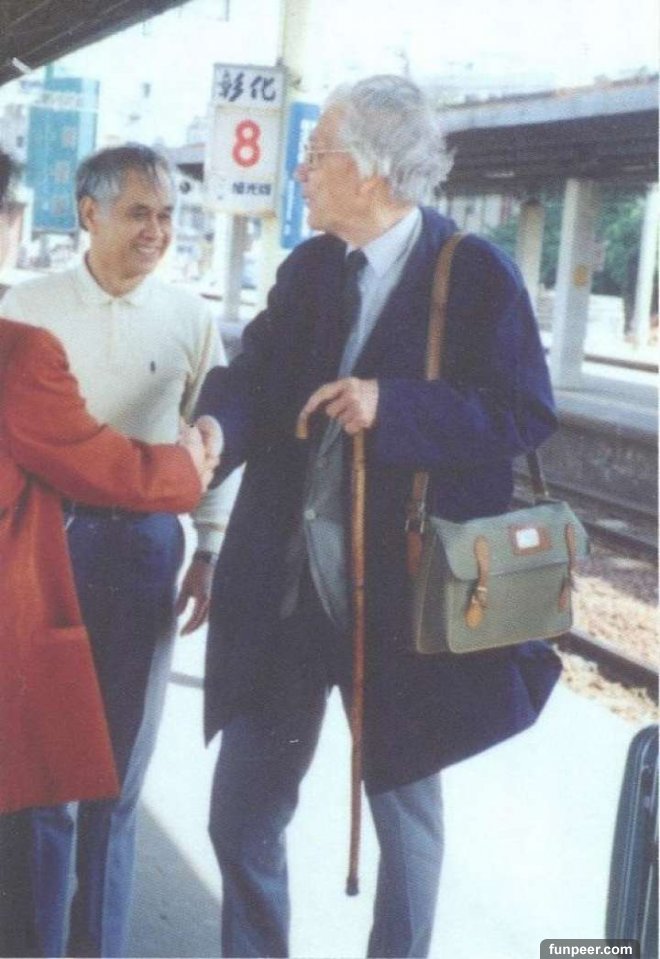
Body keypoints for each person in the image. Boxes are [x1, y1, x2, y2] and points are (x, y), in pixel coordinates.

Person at [195, 75, 562, 958]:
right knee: (240, 816)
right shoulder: (311, 268)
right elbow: (253, 375)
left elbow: (521, 411)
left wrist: (392, 405)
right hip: (288, 596)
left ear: (368, 170)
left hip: (401, 603)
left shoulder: (473, 273)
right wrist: (214, 427)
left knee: (406, 828)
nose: (300, 172)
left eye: (314, 154)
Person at [0, 144, 237, 958]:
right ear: (88, 213)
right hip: (44, 548)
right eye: (139, 212)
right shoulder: (26, 310)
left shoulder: (190, 318)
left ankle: (96, 946)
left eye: (167, 214)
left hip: (144, 553)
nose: (157, 230)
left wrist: (209, 549)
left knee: (117, 777)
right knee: (45, 778)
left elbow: (214, 444)